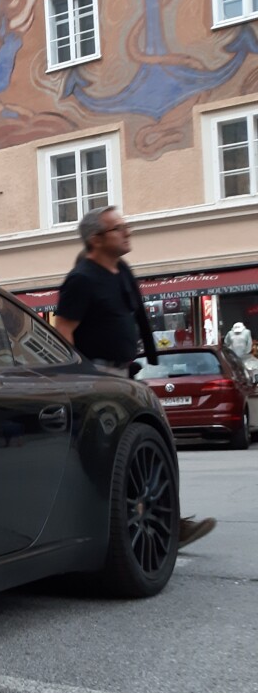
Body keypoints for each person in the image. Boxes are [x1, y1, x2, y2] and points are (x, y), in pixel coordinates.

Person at [53, 205, 216, 549]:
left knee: (155, 445)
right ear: (96, 239)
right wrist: (78, 380)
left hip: (124, 373)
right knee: (121, 453)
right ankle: (149, 527)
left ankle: (167, 522)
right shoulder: (81, 280)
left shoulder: (121, 270)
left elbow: (135, 313)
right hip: (96, 375)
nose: (128, 232)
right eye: (119, 228)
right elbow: (63, 330)